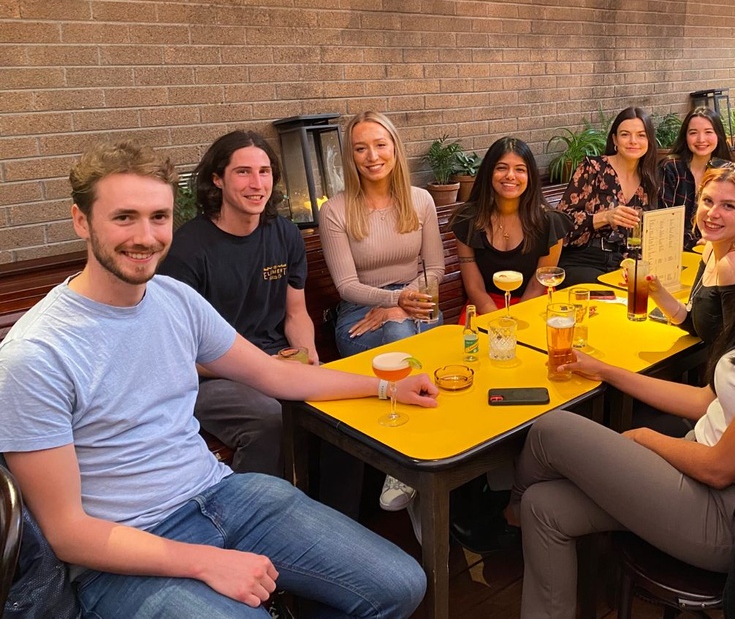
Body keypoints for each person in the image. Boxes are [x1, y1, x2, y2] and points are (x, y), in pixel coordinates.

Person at [0, 140, 434, 619]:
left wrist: (385, 387)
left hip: (224, 496)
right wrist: (206, 561)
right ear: (81, 221)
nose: (145, 236)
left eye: (159, 217)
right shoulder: (34, 354)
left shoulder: (174, 300)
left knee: (402, 585)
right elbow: (66, 533)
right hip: (122, 553)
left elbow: (274, 374)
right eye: (124, 217)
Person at [508, 197, 735, 618]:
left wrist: (642, 438)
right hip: (703, 481)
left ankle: (507, 512)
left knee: (551, 429)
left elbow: (718, 468)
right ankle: (524, 516)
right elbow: (706, 401)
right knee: (545, 506)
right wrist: (606, 371)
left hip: (731, 519)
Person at [159, 131, 314, 477]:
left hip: (276, 360)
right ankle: (251, 505)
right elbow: (179, 354)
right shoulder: (187, 250)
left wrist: (308, 356)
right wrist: (261, 367)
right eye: (243, 172)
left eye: (264, 172)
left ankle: (334, 507)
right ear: (218, 179)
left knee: (335, 411)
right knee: (271, 419)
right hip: (211, 377)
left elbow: (296, 313)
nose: (256, 184)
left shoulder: (285, 234)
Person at [320, 111, 445, 357]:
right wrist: (395, 300)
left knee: (401, 327)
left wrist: (403, 303)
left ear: (395, 148)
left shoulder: (421, 199)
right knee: (401, 333)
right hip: (360, 311)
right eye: (360, 149)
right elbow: (346, 286)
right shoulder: (334, 210)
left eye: (380, 145)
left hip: (416, 301)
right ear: (351, 157)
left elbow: (435, 269)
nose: (372, 156)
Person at [451, 137, 570, 317]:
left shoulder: (550, 222)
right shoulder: (467, 220)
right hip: (484, 306)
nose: (510, 176)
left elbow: (538, 284)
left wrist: (515, 319)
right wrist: (496, 320)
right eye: (501, 168)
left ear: (530, 176)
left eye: (520, 169)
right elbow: (474, 287)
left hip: (533, 304)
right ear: (489, 172)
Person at [649, 164, 735, 340]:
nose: (713, 213)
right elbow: (694, 322)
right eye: (708, 201)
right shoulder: (711, 247)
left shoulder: (734, 262)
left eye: (728, 206)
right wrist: (655, 291)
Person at [558, 107, 659, 286]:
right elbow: (561, 225)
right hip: (584, 259)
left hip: (622, 265)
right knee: (610, 293)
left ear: (649, 140)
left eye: (641, 135)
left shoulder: (649, 180)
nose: (633, 141)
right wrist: (604, 217)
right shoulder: (593, 168)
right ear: (614, 139)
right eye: (625, 134)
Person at [659, 107, 734, 250]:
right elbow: (664, 222)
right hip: (674, 250)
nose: (701, 139)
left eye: (708, 132)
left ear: (718, 135)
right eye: (693, 133)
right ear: (685, 136)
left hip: (716, 248)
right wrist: (697, 242)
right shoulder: (671, 168)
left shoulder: (726, 172)